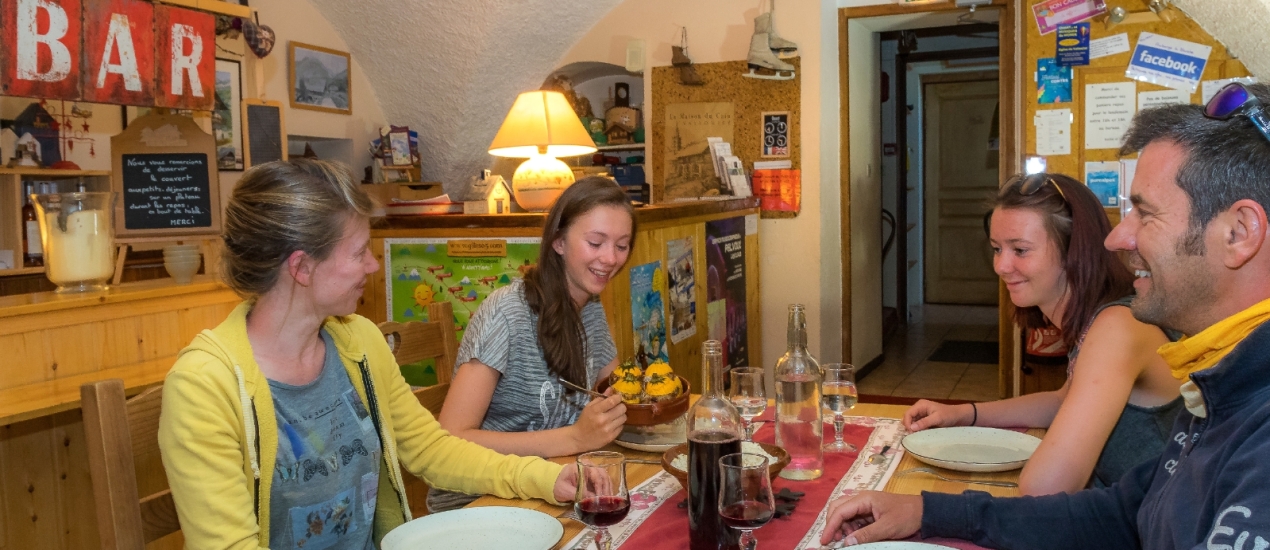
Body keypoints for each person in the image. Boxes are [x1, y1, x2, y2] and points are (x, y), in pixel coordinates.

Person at [820, 83, 1270, 548]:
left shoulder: (1127, 330)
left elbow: (1047, 486)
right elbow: (1122, 506)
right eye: (997, 249)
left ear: (1240, 233)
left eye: (1145, 213)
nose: (1117, 239)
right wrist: (938, 482)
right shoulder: (1219, 387)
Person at [157, 159, 578, 549]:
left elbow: (432, 450)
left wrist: (546, 477)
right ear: (301, 268)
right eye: (359, 253)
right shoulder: (203, 387)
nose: (373, 266)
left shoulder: (358, 341)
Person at [903, 172, 1182, 494]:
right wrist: (962, 413)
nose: (1001, 266)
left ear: (1074, 251)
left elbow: (1045, 489)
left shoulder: (1118, 326)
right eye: (997, 249)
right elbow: (1062, 400)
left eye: (1020, 250)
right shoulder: (1101, 319)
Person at [432, 176, 634, 511]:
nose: (610, 258)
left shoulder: (591, 307)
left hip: (555, 484)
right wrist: (574, 437)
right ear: (558, 241)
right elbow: (450, 441)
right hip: (477, 502)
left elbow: (617, 391)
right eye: (596, 243)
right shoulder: (506, 312)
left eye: (622, 246)